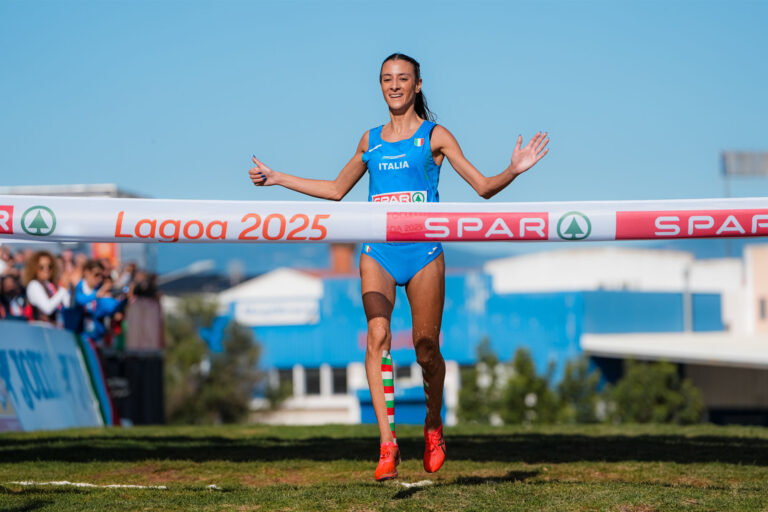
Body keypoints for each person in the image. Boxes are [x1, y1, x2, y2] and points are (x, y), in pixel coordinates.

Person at [248, 53, 549, 481]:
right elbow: (336, 190)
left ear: (417, 85)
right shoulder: (369, 140)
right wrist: (278, 177)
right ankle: (388, 443)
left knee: (426, 349)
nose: (394, 86)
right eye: (387, 79)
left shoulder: (435, 136)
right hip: (379, 252)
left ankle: (432, 423)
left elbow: (482, 187)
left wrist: (513, 170)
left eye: (402, 79)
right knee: (378, 334)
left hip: (424, 252)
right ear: (380, 85)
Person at [23, 250, 70, 325]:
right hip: (39, 330)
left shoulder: (49, 285)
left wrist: (66, 286)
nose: (46, 270)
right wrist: (63, 290)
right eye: (41, 267)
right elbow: (47, 308)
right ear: (34, 268)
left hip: (54, 329)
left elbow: (67, 304)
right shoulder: (34, 285)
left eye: (49, 266)